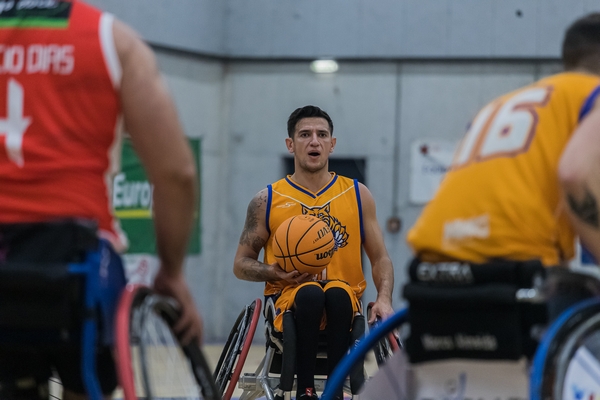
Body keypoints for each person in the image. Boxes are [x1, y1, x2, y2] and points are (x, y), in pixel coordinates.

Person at [0, 1, 203, 399]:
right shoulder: (115, 41)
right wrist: (172, 272)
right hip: (73, 262)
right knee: (85, 376)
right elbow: (176, 174)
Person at [407, 12, 600, 321]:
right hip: (514, 266)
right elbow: (574, 173)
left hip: (431, 268)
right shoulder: (592, 93)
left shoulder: (502, 103)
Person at [233, 105, 395, 400]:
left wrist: (384, 299)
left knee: (336, 294)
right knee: (310, 294)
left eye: (322, 134)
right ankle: (305, 392)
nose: (314, 141)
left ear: (332, 144)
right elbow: (241, 264)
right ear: (290, 144)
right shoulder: (266, 200)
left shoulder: (358, 195)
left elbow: (380, 258)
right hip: (288, 302)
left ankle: (333, 391)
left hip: (345, 302)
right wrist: (273, 271)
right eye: (305, 134)